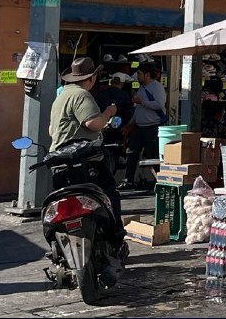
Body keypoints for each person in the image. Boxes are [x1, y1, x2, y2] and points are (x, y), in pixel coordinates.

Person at [48, 58, 125, 249]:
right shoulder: (82, 95)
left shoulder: (62, 96)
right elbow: (94, 123)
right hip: (83, 160)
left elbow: (52, 130)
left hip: (59, 160)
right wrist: (108, 112)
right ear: (92, 78)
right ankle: (116, 238)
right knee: (108, 194)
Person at [122, 62, 166, 190]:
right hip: (139, 126)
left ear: (147, 74)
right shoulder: (142, 88)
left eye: (139, 74)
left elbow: (159, 104)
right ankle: (128, 180)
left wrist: (143, 102)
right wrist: (130, 124)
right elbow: (138, 110)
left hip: (152, 126)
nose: (137, 76)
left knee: (153, 155)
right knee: (132, 153)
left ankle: (159, 180)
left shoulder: (157, 87)